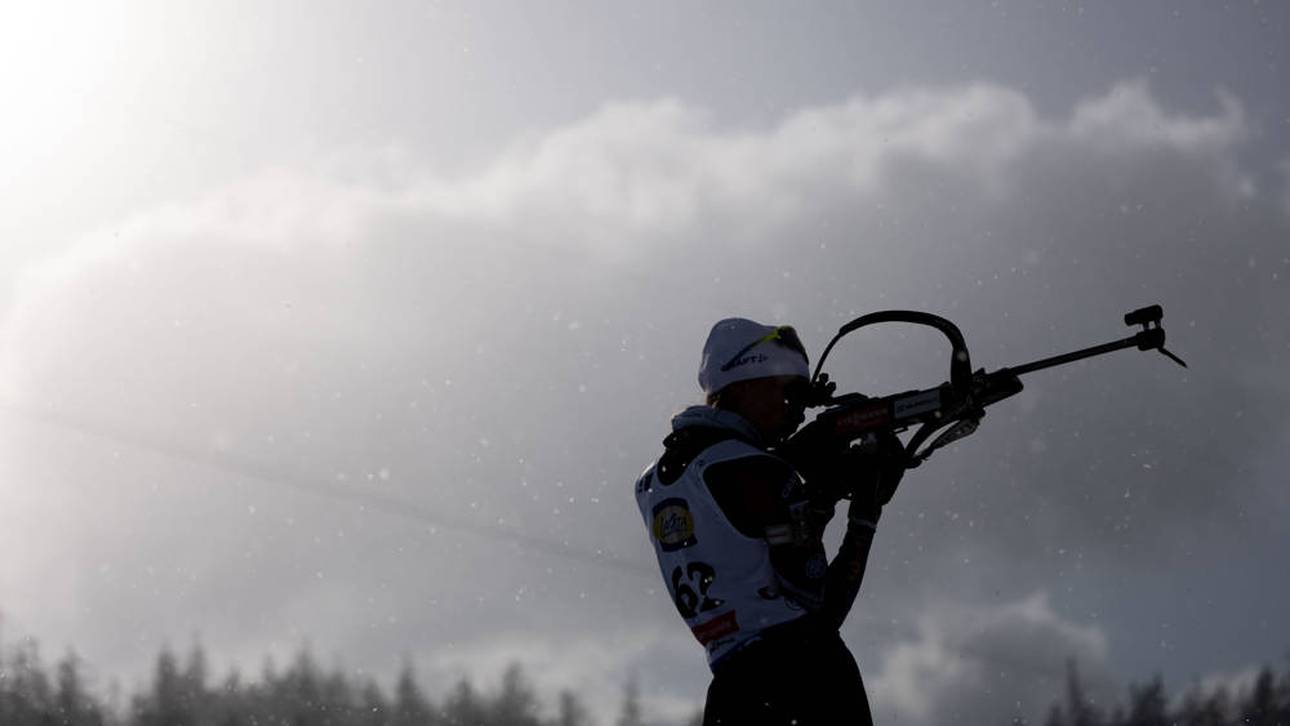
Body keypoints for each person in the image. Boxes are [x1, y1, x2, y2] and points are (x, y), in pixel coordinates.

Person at [633, 317, 908, 725]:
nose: (795, 409)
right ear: (746, 385)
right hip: (805, 684)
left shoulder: (652, 482)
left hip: (731, 693)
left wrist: (818, 495)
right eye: (789, 391)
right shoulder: (758, 471)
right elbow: (820, 609)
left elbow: (747, 555)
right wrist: (866, 508)